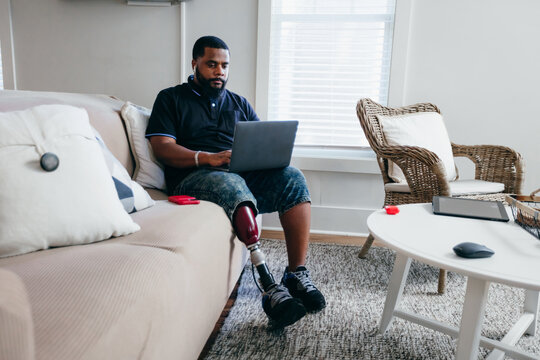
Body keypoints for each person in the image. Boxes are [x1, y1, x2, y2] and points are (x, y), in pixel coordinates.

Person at [146, 35, 325, 327]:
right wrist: (208, 157)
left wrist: (268, 161)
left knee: (292, 178)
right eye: (212, 64)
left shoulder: (239, 103)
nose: (220, 72)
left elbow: (259, 144)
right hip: (194, 177)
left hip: (237, 173)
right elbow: (162, 146)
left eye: (225, 66)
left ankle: (295, 274)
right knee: (233, 185)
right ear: (195, 64)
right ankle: (268, 287)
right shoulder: (171, 98)